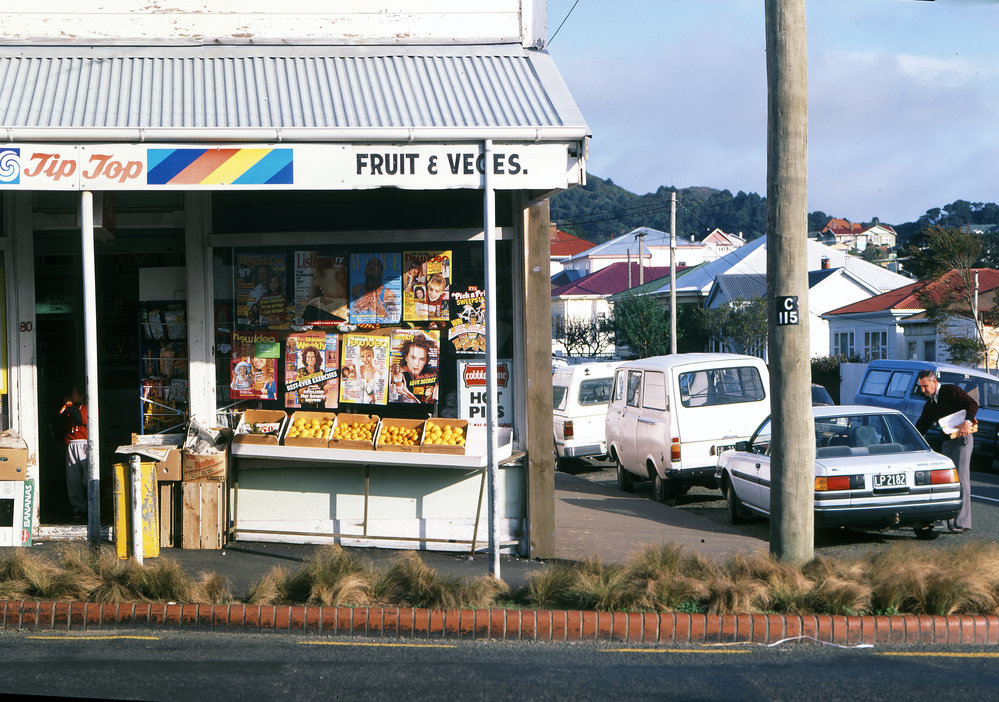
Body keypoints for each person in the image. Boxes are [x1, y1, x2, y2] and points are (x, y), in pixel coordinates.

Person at [915, 369, 977, 533]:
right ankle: (946, 520)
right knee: (946, 480)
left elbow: (972, 404)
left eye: (925, 386)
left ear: (934, 382)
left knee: (961, 480)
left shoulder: (951, 391)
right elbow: (921, 426)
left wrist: (967, 422)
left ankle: (961, 523)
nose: (923, 390)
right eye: (920, 387)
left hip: (963, 439)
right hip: (947, 442)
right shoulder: (930, 404)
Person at [59, 384, 88, 522]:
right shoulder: (71, 408)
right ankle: (79, 509)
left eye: (73, 392)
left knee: (87, 477)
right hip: (72, 444)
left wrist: (69, 404)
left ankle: (92, 506)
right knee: (73, 479)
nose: (71, 394)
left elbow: (80, 419)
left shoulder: (86, 407)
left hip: (85, 444)